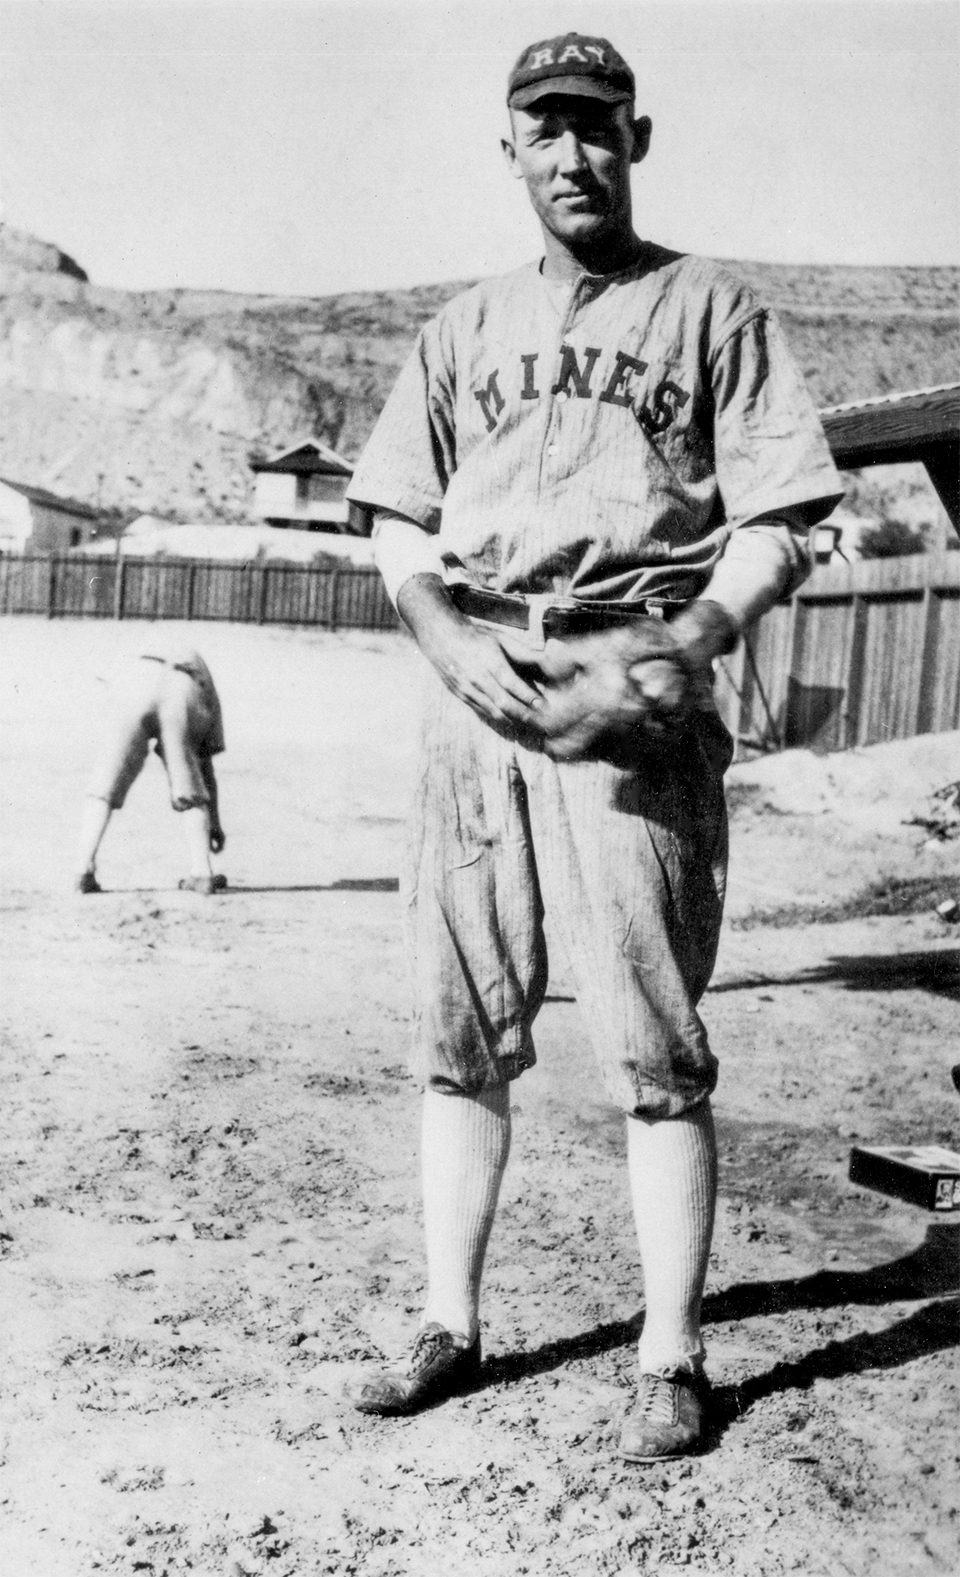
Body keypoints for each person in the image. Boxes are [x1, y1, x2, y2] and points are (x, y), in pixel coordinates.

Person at [345, 31, 843, 1460]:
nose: (572, 154)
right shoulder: (463, 326)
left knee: (653, 1036)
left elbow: (781, 514)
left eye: (596, 127)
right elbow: (394, 514)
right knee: (458, 1023)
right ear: (510, 147)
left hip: (633, 663)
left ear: (638, 137)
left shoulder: (711, 309)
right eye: (543, 129)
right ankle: (449, 1317)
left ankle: (671, 1349)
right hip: (479, 672)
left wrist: (698, 638)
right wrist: (439, 632)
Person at [75, 636, 227, 896]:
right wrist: (214, 823)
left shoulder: (133, 651)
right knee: (189, 781)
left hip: (133, 681)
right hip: (185, 686)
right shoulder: (204, 676)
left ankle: (81, 870)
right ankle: (202, 874)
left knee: (105, 783)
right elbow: (206, 768)